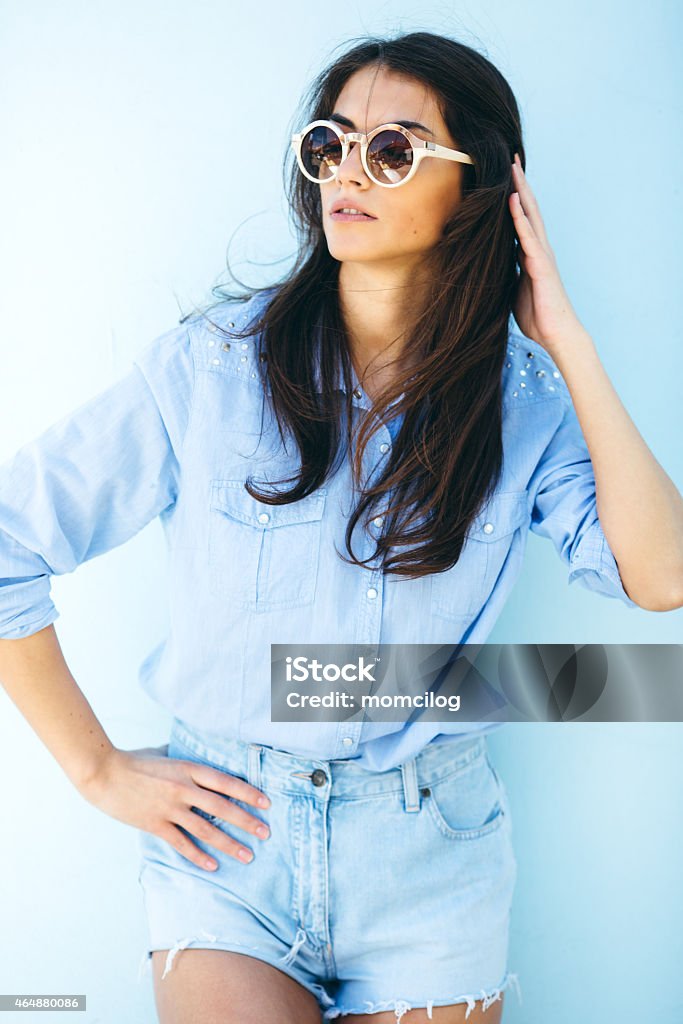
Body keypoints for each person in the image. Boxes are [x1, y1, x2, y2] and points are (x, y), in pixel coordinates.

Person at [1, 29, 682, 1024]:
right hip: (229, 846)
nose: (346, 172)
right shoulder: (208, 370)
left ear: (477, 190)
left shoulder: (525, 404)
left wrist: (564, 339)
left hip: (428, 854)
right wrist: (97, 768)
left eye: (393, 149)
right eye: (329, 144)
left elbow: (658, 576)